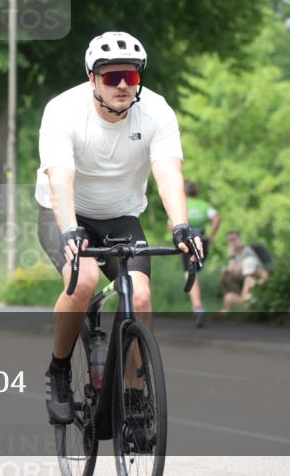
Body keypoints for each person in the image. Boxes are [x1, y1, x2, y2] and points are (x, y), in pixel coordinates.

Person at [36, 31, 204, 425]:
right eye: (112, 77)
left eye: (131, 76)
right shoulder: (63, 110)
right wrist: (69, 232)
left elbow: (167, 174)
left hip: (122, 215)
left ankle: (134, 397)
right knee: (83, 282)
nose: (124, 85)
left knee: (141, 296)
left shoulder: (158, 112)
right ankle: (58, 371)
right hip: (65, 212)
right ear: (92, 79)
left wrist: (181, 226)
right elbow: (60, 179)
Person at [167, 181, 220, 327]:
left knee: (190, 271)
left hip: (186, 240)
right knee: (196, 269)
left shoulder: (180, 205)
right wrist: (212, 235)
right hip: (202, 240)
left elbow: (170, 225)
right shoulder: (203, 205)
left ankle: (197, 306)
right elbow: (216, 218)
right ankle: (198, 305)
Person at [222, 231, 268, 311]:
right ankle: (229, 310)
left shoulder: (247, 251)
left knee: (248, 288)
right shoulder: (235, 253)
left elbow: (239, 270)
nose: (232, 242)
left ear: (240, 239)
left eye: (234, 239)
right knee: (228, 294)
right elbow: (232, 270)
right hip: (244, 282)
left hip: (253, 278)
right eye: (230, 240)